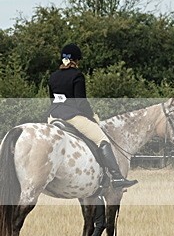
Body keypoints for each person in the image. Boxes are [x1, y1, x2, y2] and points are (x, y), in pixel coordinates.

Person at [48, 43, 137, 189]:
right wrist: (92, 116)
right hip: (72, 116)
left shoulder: (53, 76)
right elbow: (81, 102)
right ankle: (116, 177)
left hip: (53, 116)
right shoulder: (77, 75)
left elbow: (52, 100)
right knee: (102, 139)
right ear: (75, 60)